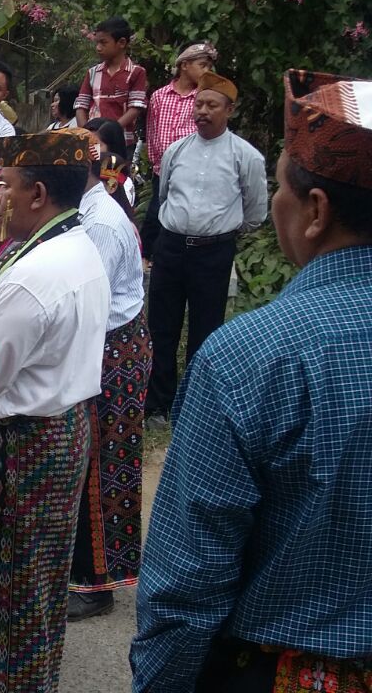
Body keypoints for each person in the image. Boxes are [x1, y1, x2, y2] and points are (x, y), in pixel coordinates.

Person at [131, 69, 372, 693]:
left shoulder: (254, 355)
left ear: (315, 210)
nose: (276, 202)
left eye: (283, 182)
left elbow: (188, 584)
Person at [0, 131, 109, 691]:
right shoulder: (73, 246)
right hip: (59, 434)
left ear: (36, 193)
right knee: (33, 588)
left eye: (4, 185)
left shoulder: (34, 277)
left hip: (17, 450)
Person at [145, 72, 267, 423]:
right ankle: (157, 404)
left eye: (211, 105)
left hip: (213, 253)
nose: (202, 111)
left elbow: (255, 210)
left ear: (230, 109)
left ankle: (195, 406)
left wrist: (220, 234)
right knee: (162, 326)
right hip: (171, 247)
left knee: (206, 329)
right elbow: (163, 195)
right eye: (198, 104)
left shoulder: (246, 156)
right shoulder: (176, 150)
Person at [63, 137, 150, 621]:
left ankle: (96, 584)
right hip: (111, 342)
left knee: (100, 463)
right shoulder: (91, 211)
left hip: (111, 349)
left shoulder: (99, 224)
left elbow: (83, 304)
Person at [140, 42, 218, 258]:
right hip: (161, 168)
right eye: (202, 65)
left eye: (209, 67)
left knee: (183, 212)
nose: (206, 71)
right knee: (156, 210)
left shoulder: (202, 99)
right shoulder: (159, 96)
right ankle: (146, 255)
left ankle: (174, 254)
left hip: (191, 169)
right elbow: (152, 130)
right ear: (184, 65)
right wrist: (156, 161)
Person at [74, 16, 148, 151]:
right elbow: (81, 105)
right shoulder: (92, 73)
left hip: (123, 142)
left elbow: (135, 108)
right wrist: (86, 133)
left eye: (103, 43)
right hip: (92, 142)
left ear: (121, 43)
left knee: (118, 171)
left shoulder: (136, 73)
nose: (98, 48)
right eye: (97, 43)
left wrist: (110, 133)